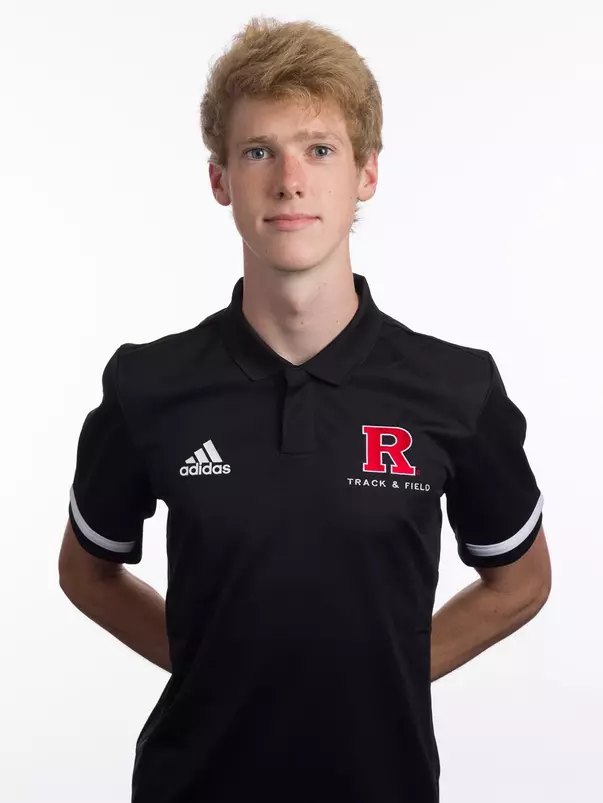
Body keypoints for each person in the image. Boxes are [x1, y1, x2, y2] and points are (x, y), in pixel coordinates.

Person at [58, 16, 551, 803]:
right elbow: (87, 569)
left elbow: (520, 580)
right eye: (259, 151)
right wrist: (209, 658)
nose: (289, 180)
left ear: (366, 174)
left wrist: (379, 668)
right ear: (220, 178)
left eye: (318, 149)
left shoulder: (456, 390)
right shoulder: (148, 386)